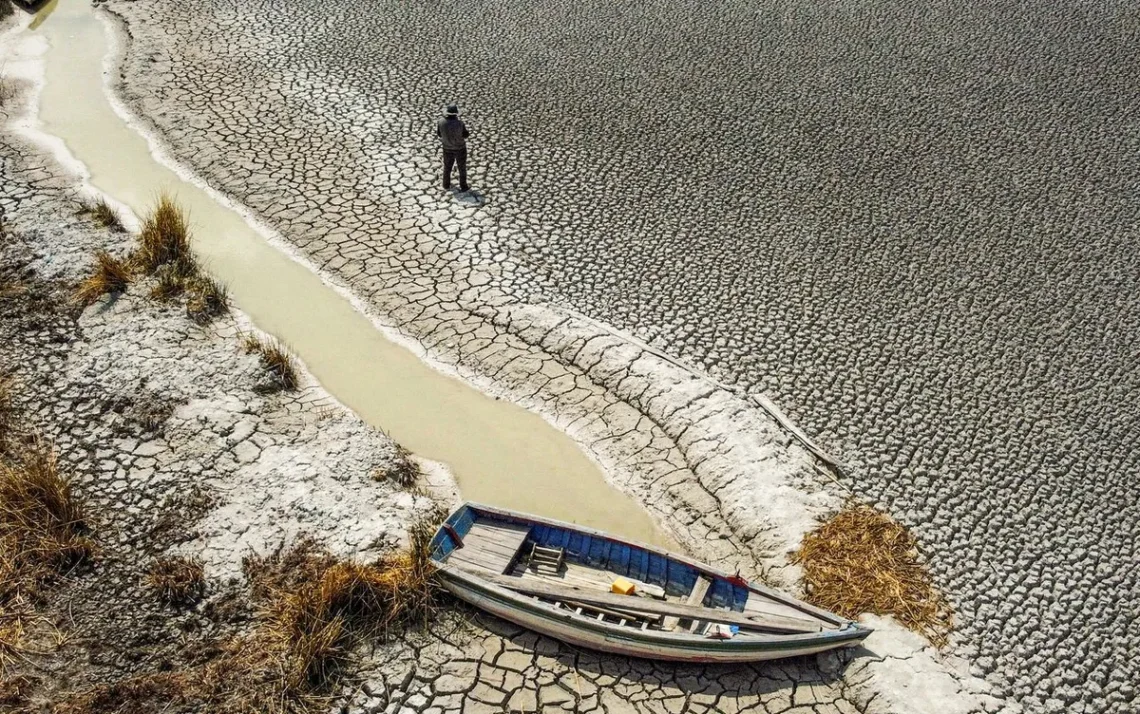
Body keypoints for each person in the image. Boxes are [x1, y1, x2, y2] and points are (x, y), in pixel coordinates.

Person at [436, 105, 470, 191]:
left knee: (447, 167)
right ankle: (463, 186)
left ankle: (446, 184)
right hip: (460, 148)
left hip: (447, 148)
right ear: (456, 114)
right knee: (461, 167)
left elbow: (439, 134)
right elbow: (465, 135)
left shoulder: (441, 122)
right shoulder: (460, 123)